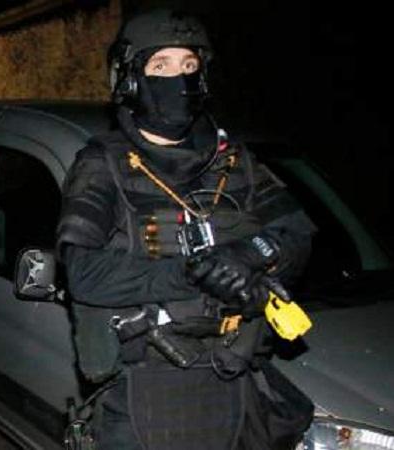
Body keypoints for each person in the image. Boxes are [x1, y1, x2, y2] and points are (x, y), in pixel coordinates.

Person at [56, 9, 316, 449]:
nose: (178, 78)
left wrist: (249, 253)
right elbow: (84, 273)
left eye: (189, 65)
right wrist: (192, 274)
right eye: (161, 66)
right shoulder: (102, 165)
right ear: (131, 80)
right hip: (145, 391)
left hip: (234, 378)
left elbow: (298, 233)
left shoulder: (235, 160)